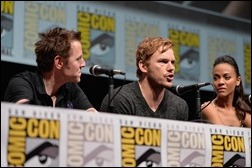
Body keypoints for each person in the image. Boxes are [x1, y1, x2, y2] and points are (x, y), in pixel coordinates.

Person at [4, 27, 97, 112]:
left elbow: (93, 117)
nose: (83, 64)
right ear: (59, 62)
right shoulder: (22, 83)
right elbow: (22, 115)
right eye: (78, 59)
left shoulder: (71, 88)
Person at [100, 37, 189, 121]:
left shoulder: (179, 106)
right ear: (143, 66)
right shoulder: (121, 99)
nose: (171, 68)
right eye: (163, 62)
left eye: (172, 62)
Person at [201, 55, 251, 127]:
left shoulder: (242, 113)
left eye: (226, 77)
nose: (220, 82)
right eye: (216, 78)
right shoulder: (208, 108)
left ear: (238, 80)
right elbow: (223, 136)